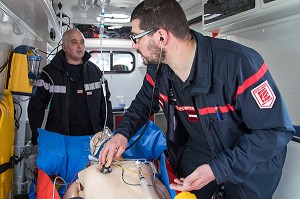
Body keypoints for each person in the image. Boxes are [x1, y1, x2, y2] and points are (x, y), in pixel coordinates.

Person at [98, 0, 295, 198]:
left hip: (249, 162)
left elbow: (275, 131)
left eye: (136, 36)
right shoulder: (157, 69)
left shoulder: (240, 64)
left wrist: (216, 169)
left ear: (161, 37)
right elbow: (142, 105)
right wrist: (121, 135)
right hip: (199, 152)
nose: (134, 44)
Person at [28, 28, 113, 147]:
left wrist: (109, 134)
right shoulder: (48, 74)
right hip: (59, 142)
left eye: (82, 42)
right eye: (74, 42)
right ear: (64, 47)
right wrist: (39, 139)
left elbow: (105, 105)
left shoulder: (95, 72)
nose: (80, 46)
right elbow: (35, 108)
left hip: (92, 141)